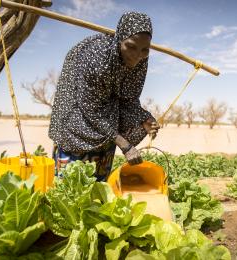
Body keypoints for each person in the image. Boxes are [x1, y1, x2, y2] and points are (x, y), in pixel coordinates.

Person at [49, 12, 160, 181]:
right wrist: (125, 145)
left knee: (99, 188)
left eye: (144, 50)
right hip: (80, 112)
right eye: (131, 46)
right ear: (119, 40)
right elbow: (90, 110)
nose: (137, 55)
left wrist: (143, 118)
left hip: (107, 115)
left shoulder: (141, 61)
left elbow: (128, 99)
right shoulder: (96, 58)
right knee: (69, 187)